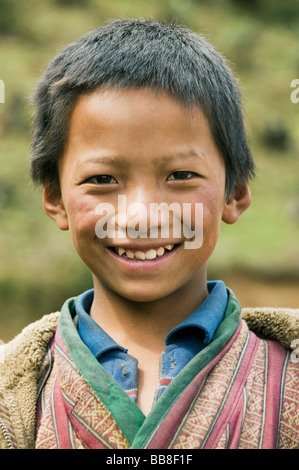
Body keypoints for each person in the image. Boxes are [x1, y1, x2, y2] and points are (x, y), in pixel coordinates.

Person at [0, 18, 298, 450]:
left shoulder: (285, 381)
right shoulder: (13, 396)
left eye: (180, 175)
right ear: (55, 198)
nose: (141, 215)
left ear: (234, 192)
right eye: (102, 179)